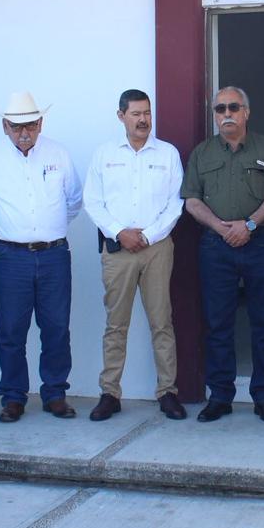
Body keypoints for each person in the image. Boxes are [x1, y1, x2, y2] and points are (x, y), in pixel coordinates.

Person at [0, 91, 83, 423]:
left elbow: (74, 200)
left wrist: (47, 231)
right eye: (17, 126)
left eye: (31, 125)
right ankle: (13, 397)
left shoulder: (58, 153)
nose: (24, 133)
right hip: (9, 257)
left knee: (57, 327)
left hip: (53, 255)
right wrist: (9, 234)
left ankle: (55, 394)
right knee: (10, 329)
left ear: (41, 124)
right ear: (5, 126)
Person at [181, 86, 264, 423]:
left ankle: (263, 396)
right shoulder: (202, 153)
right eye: (220, 109)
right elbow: (191, 200)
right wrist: (220, 227)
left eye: (233, 107)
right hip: (216, 246)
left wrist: (249, 225)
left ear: (246, 112)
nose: (226, 114)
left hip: (260, 244)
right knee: (218, 323)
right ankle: (220, 396)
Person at [83, 89, 187, 421]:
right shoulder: (104, 154)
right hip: (118, 249)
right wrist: (120, 232)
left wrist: (147, 235)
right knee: (116, 324)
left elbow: (176, 203)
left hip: (156, 248)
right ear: (121, 116)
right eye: (136, 114)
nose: (143, 120)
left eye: (147, 113)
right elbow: (93, 202)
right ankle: (110, 393)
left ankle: (168, 392)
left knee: (162, 322)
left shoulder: (167, 154)